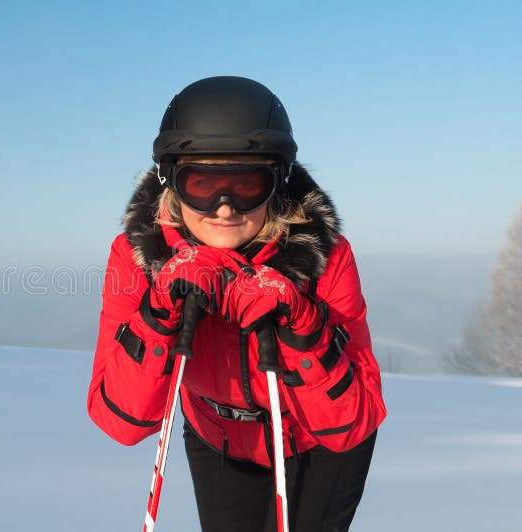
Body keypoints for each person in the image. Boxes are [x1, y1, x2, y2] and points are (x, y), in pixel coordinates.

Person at [87, 76, 386, 532]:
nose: (224, 208)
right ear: (170, 181)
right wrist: (159, 313)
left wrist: (299, 323)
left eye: (247, 184)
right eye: (201, 183)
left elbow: (353, 422)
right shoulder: (137, 258)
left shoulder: (324, 256)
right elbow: (121, 421)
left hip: (316, 443)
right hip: (218, 437)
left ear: (277, 183)